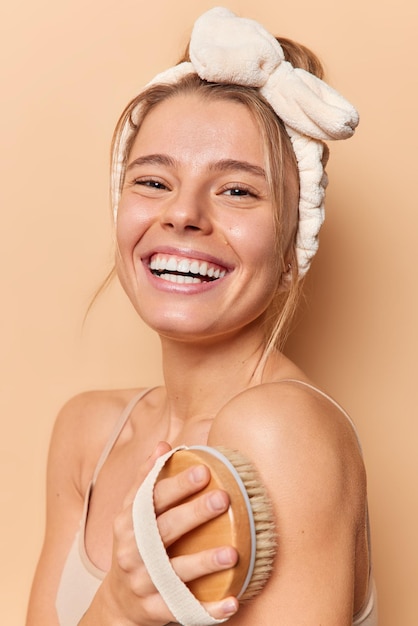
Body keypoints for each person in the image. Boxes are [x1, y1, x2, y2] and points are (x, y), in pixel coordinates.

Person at [26, 7, 377, 626]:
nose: (182, 214)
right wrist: (114, 608)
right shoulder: (88, 435)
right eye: (153, 182)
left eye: (237, 190)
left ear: (295, 247)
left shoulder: (280, 431)